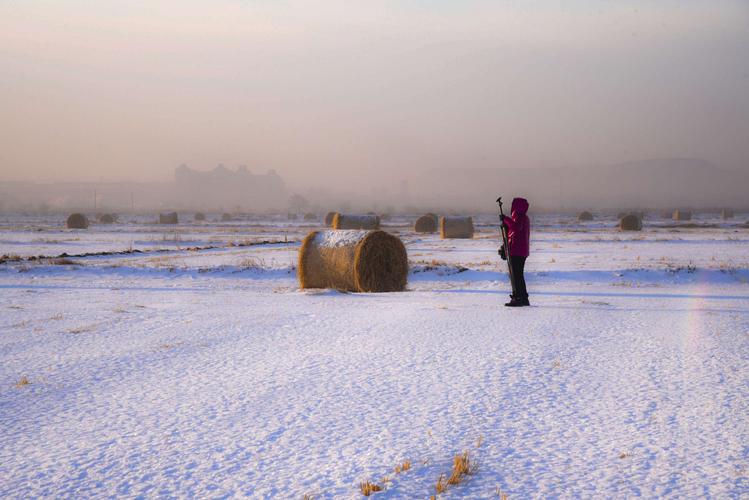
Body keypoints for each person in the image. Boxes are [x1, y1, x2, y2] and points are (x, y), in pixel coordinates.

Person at [501, 197, 531, 307]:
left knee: (516, 276)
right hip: (521, 250)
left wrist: (506, 220)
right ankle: (523, 297)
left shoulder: (519, 216)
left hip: (517, 251)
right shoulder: (524, 217)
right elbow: (514, 232)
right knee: (518, 275)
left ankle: (518, 297)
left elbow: (516, 228)